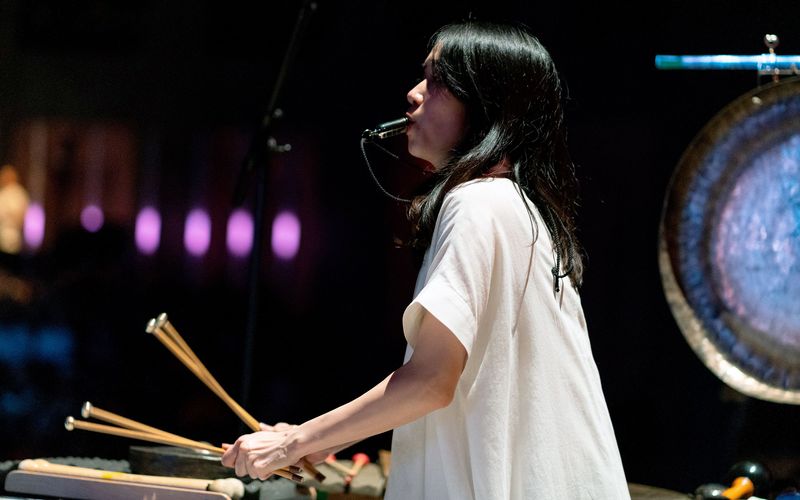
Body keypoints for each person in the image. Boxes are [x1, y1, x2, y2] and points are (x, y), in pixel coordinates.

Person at [222, 20, 630, 499]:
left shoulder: (477, 204)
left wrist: (294, 442)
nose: (414, 94)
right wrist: (316, 441)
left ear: (485, 102)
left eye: (436, 82)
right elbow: (454, 380)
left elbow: (432, 381)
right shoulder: (516, 206)